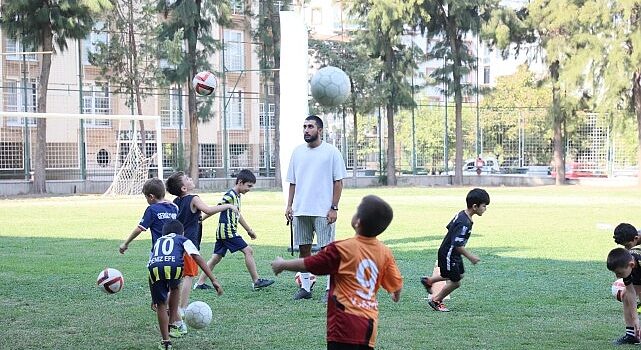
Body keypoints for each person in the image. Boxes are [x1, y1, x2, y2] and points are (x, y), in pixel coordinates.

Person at [271, 195, 403, 350]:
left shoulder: (342, 248)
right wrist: (395, 295)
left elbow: (310, 264)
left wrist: (283, 264)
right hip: (368, 326)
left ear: (357, 222)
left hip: (343, 325)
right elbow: (396, 285)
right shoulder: (385, 253)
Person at [285, 115, 347, 301]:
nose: (306, 130)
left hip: (323, 212)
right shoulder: (297, 152)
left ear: (320, 130)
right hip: (301, 211)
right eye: (304, 126)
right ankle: (305, 288)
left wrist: (334, 207)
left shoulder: (332, 152)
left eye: (310, 126)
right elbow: (293, 183)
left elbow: (338, 182)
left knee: (326, 251)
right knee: (304, 250)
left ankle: (330, 290)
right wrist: (289, 206)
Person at [165, 171, 239, 323]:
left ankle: (168, 304)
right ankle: (182, 308)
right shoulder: (193, 198)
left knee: (176, 277)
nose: (191, 179)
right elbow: (208, 210)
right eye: (187, 179)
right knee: (188, 276)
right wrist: (228, 206)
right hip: (189, 245)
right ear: (184, 188)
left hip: (176, 243)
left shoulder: (177, 201)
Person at [118, 178, 185, 338]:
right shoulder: (174, 207)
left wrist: (125, 243)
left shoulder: (152, 209)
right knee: (174, 288)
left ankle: (168, 313)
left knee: (159, 287)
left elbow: (139, 229)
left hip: (158, 254)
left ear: (150, 197)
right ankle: (175, 320)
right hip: (176, 254)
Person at [193, 169, 274, 291]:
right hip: (227, 232)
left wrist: (248, 230)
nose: (249, 189)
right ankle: (256, 281)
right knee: (248, 251)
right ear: (240, 182)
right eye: (249, 186)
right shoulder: (230, 195)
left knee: (216, 258)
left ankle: (199, 283)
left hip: (223, 232)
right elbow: (215, 208)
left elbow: (238, 215)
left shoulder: (237, 196)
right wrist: (201, 219)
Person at [148, 220, 223, 350]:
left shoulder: (158, 241)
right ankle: (172, 321)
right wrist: (213, 279)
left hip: (155, 268)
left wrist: (154, 298)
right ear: (182, 232)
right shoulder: (183, 239)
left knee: (160, 305)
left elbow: (151, 264)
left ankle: (166, 341)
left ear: (164, 233)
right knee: (175, 287)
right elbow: (196, 257)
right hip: (175, 267)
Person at [420, 188, 490, 312]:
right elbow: (457, 244)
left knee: (458, 274)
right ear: (475, 206)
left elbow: (449, 227)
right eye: (484, 206)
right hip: (449, 253)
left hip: (452, 252)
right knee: (455, 282)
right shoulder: (465, 223)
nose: (485, 209)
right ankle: (436, 300)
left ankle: (429, 280)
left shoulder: (461, 214)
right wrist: (471, 257)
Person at [606, 247, 641, 345]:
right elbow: (631, 292)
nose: (618, 277)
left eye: (619, 273)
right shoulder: (627, 264)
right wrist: (635, 319)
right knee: (626, 295)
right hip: (638, 274)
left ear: (631, 265)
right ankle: (631, 335)